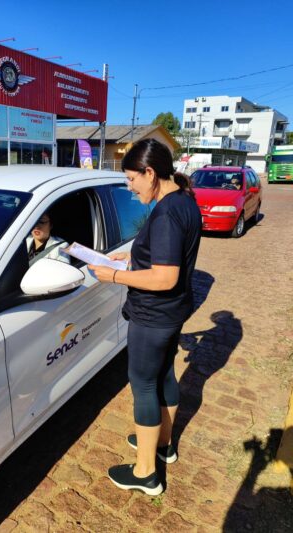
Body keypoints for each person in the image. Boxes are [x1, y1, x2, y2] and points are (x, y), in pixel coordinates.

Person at [89, 138, 202, 496]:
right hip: (172, 312)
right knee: (164, 373)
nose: (129, 186)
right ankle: (163, 444)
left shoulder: (166, 213)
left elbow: (165, 277)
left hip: (153, 315)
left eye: (131, 178)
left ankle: (146, 472)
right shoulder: (183, 200)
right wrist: (132, 258)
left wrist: (114, 276)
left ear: (150, 173)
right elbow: (168, 256)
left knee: (144, 384)